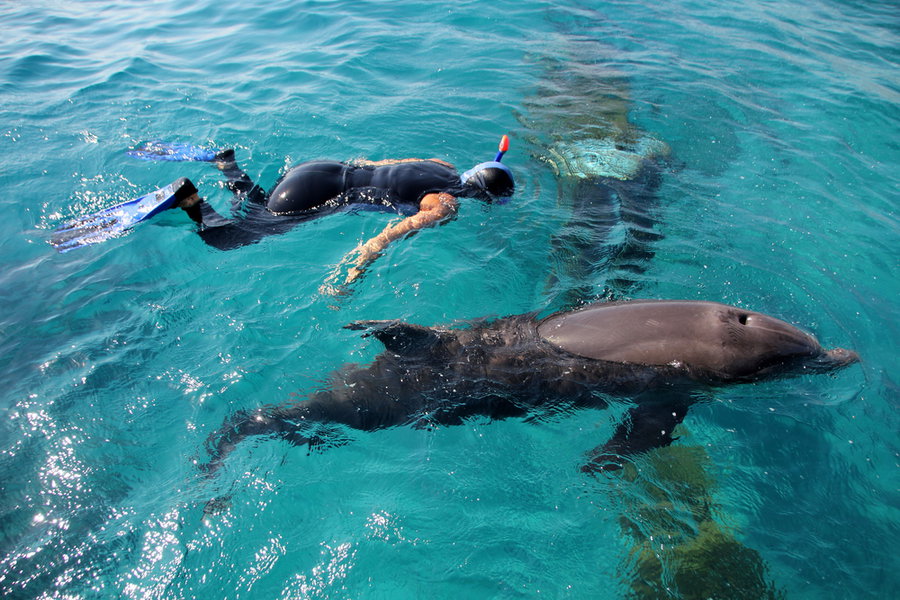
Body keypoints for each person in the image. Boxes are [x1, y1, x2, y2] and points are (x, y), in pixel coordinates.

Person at [135, 139, 514, 286]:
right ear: (484, 197)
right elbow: (390, 235)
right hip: (323, 192)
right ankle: (187, 199)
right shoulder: (444, 203)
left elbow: (379, 161)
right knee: (235, 238)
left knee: (258, 208)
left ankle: (227, 165)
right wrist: (358, 265)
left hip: (320, 168)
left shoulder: (440, 161)